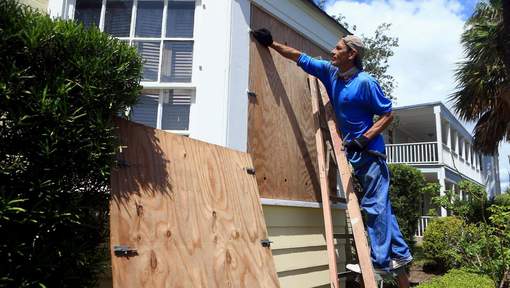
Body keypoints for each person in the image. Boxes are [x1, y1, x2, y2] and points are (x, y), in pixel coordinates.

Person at [251, 28, 413, 287]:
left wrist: (365, 138)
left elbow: (387, 114)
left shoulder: (366, 82)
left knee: (374, 206)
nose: (332, 52)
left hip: (371, 154)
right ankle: (401, 253)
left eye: (338, 49)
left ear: (352, 53)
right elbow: (299, 57)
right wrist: (271, 44)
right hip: (356, 153)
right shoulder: (330, 73)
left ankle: (380, 263)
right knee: (382, 206)